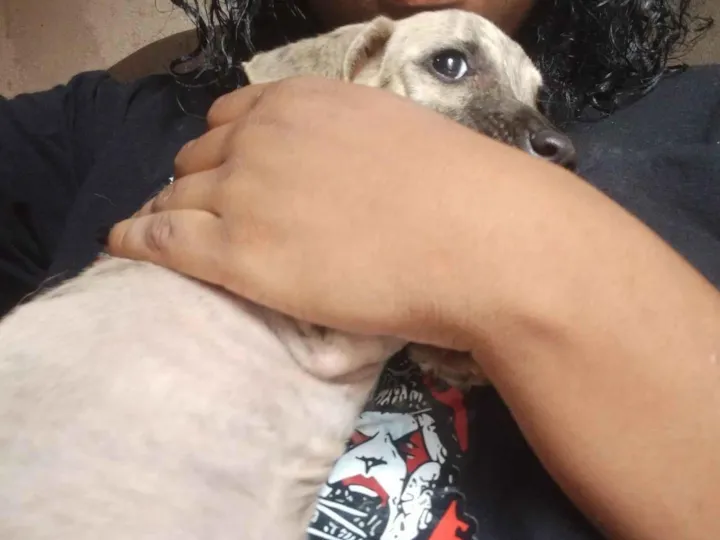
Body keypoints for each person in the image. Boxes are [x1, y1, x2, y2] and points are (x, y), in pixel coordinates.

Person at [1, 0, 718, 539]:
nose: (541, 134)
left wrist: (513, 252)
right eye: (450, 65)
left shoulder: (700, 125)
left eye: (533, 101)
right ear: (351, 62)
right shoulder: (94, 125)